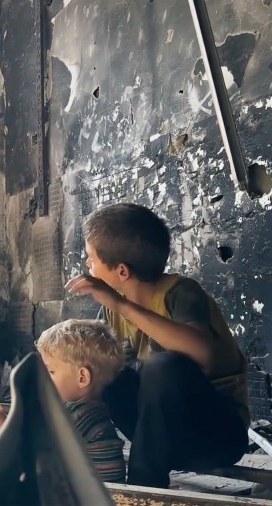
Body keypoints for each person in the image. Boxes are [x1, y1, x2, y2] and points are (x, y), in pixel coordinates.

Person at [66, 203, 249, 488]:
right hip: (160, 440)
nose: (87, 265)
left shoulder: (180, 293)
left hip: (215, 438)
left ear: (122, 271)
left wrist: (121, 304)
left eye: (91, 258)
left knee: (164, 365)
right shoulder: (112, 310)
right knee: (98, 370)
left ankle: (143, 488)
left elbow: (202, 356)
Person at [0, 319, 126, 483]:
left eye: (51, 371)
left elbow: (35, 454)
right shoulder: (88, 410)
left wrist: (3, 429)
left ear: (82, 377)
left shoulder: (80, 416)